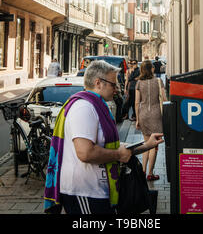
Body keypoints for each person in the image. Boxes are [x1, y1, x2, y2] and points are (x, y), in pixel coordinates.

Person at [44, 60, 164, 214]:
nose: (117, 89)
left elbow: (111, 146)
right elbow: (86, 152)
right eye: (113, 85)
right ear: (98, 83)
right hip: (84, 191)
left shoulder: (97, 106)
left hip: (96, 191)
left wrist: (147, 144)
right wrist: (118, 155)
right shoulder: (84, 108)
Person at [135, 60, 167, 181]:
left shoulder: (139, 83)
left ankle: (143, 171)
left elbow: (137, 102)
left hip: (143, 114)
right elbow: (164, 99)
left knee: (146, 143)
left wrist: (137, 119)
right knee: (154, 145)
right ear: (152, 69)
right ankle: (150, 173)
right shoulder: (158, 81)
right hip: (156, 114)